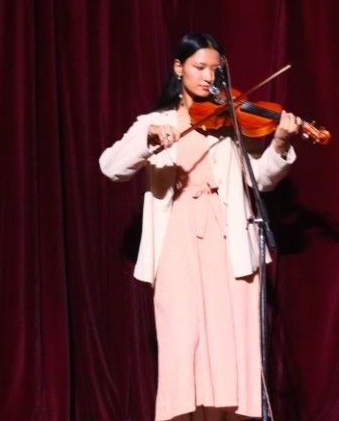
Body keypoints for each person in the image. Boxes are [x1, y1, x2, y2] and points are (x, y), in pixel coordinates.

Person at [99, 32, 300, 421]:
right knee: (181, 338)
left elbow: (260, 179)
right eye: (200, 67)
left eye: (216, 70)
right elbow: (111, 167)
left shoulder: (232, 120)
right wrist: (147, 139)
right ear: (179, 68)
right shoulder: (154, 123)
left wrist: (279, 144)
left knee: (232, 341)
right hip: (177, 236)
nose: (209, 77)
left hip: (230, 235)